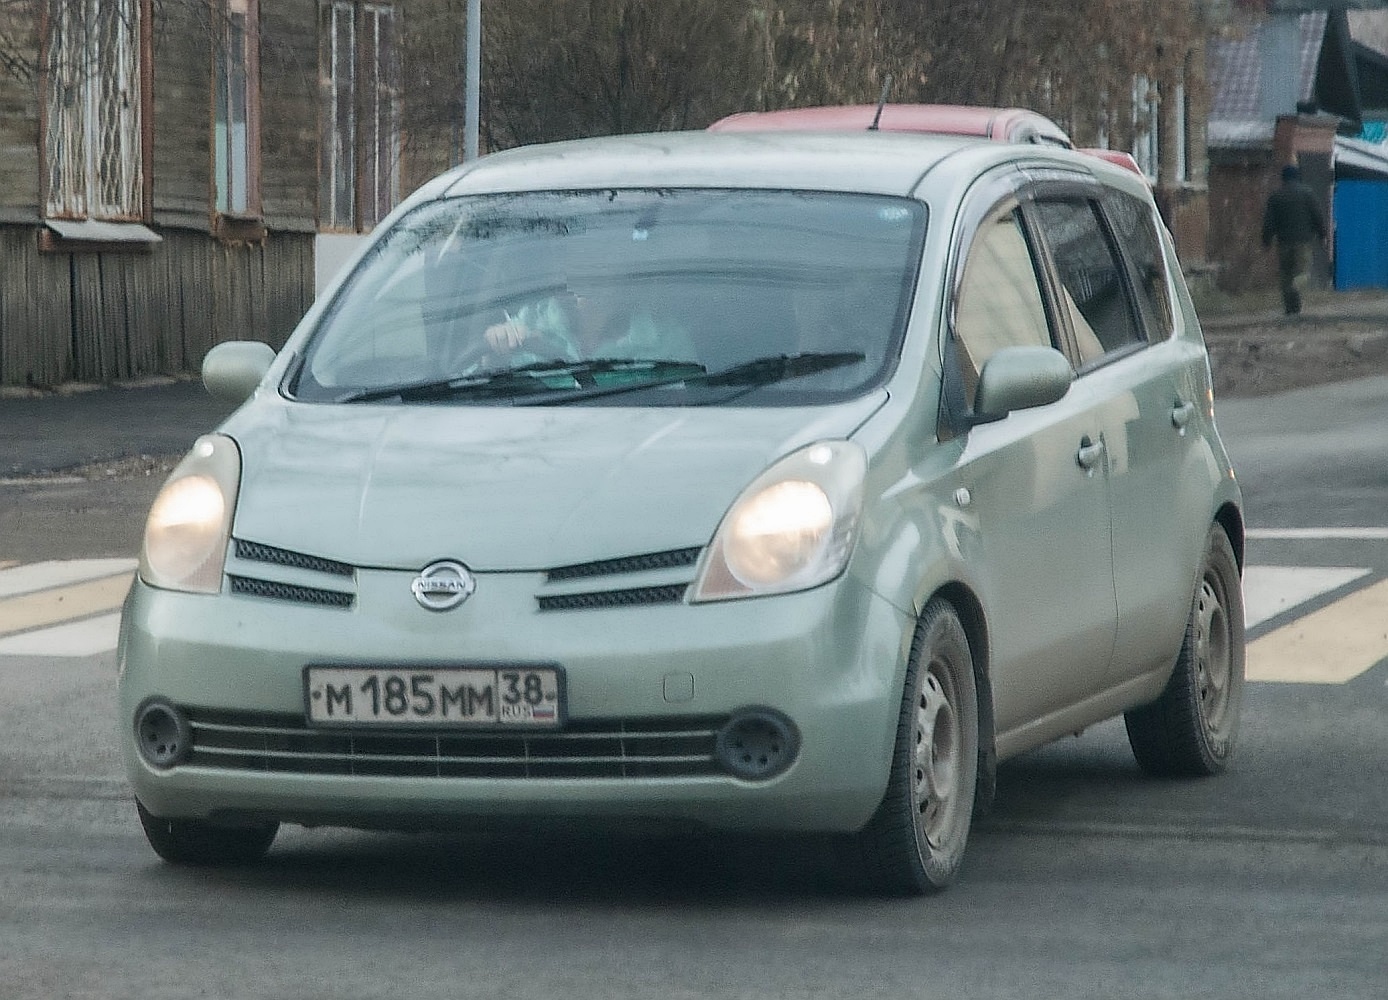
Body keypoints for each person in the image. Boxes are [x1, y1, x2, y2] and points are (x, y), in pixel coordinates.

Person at [484, 281, 697, 365]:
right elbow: (469, 385)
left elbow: (692, 404)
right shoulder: (530, 319)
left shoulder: (663, 337)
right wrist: (494, 350)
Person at [1261, 164, 1326, 316]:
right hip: (1303, 241)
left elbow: (1269, 221)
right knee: (1302, 273)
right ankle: (1295, 290)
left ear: (1283, 178)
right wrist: (1322, 235)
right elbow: (1317, 216)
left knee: (1285, 275)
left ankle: (1291, 309)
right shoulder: (1307, 194)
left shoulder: (1276, 196)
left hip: (1283, 242)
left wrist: (1266, 241)